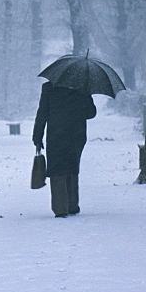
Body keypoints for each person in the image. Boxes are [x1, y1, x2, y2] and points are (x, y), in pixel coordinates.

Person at [32, 81, 96, 217]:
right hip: (76, 135)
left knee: (57, 170)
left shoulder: (49, 88)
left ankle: (60, 208)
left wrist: (37, 137)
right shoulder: (82, 87)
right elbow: (90, 113)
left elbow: (42, 113)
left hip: (56, 135)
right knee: (72, 168)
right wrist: (87, 95)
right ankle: (72, 205)